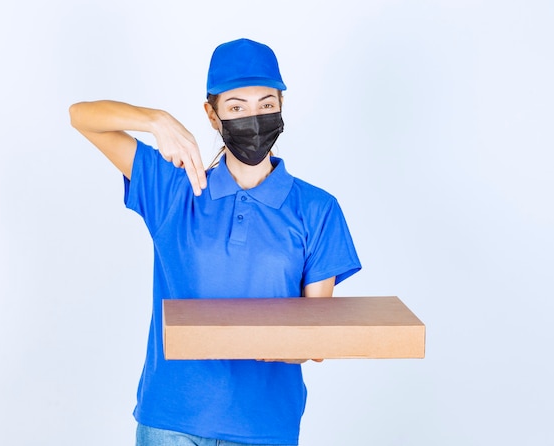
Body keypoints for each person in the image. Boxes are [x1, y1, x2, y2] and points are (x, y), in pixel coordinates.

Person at [69, 38, 361, 446]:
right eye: (237, 107)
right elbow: (81, 117)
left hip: (264, 427)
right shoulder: (175, 187)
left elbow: (316, 338)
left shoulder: (317, 209)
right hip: (171, 421)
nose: (254, 118)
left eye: (266, 104)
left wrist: (266, 341)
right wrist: (156, 120)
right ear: (212, 114)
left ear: (281, 106)